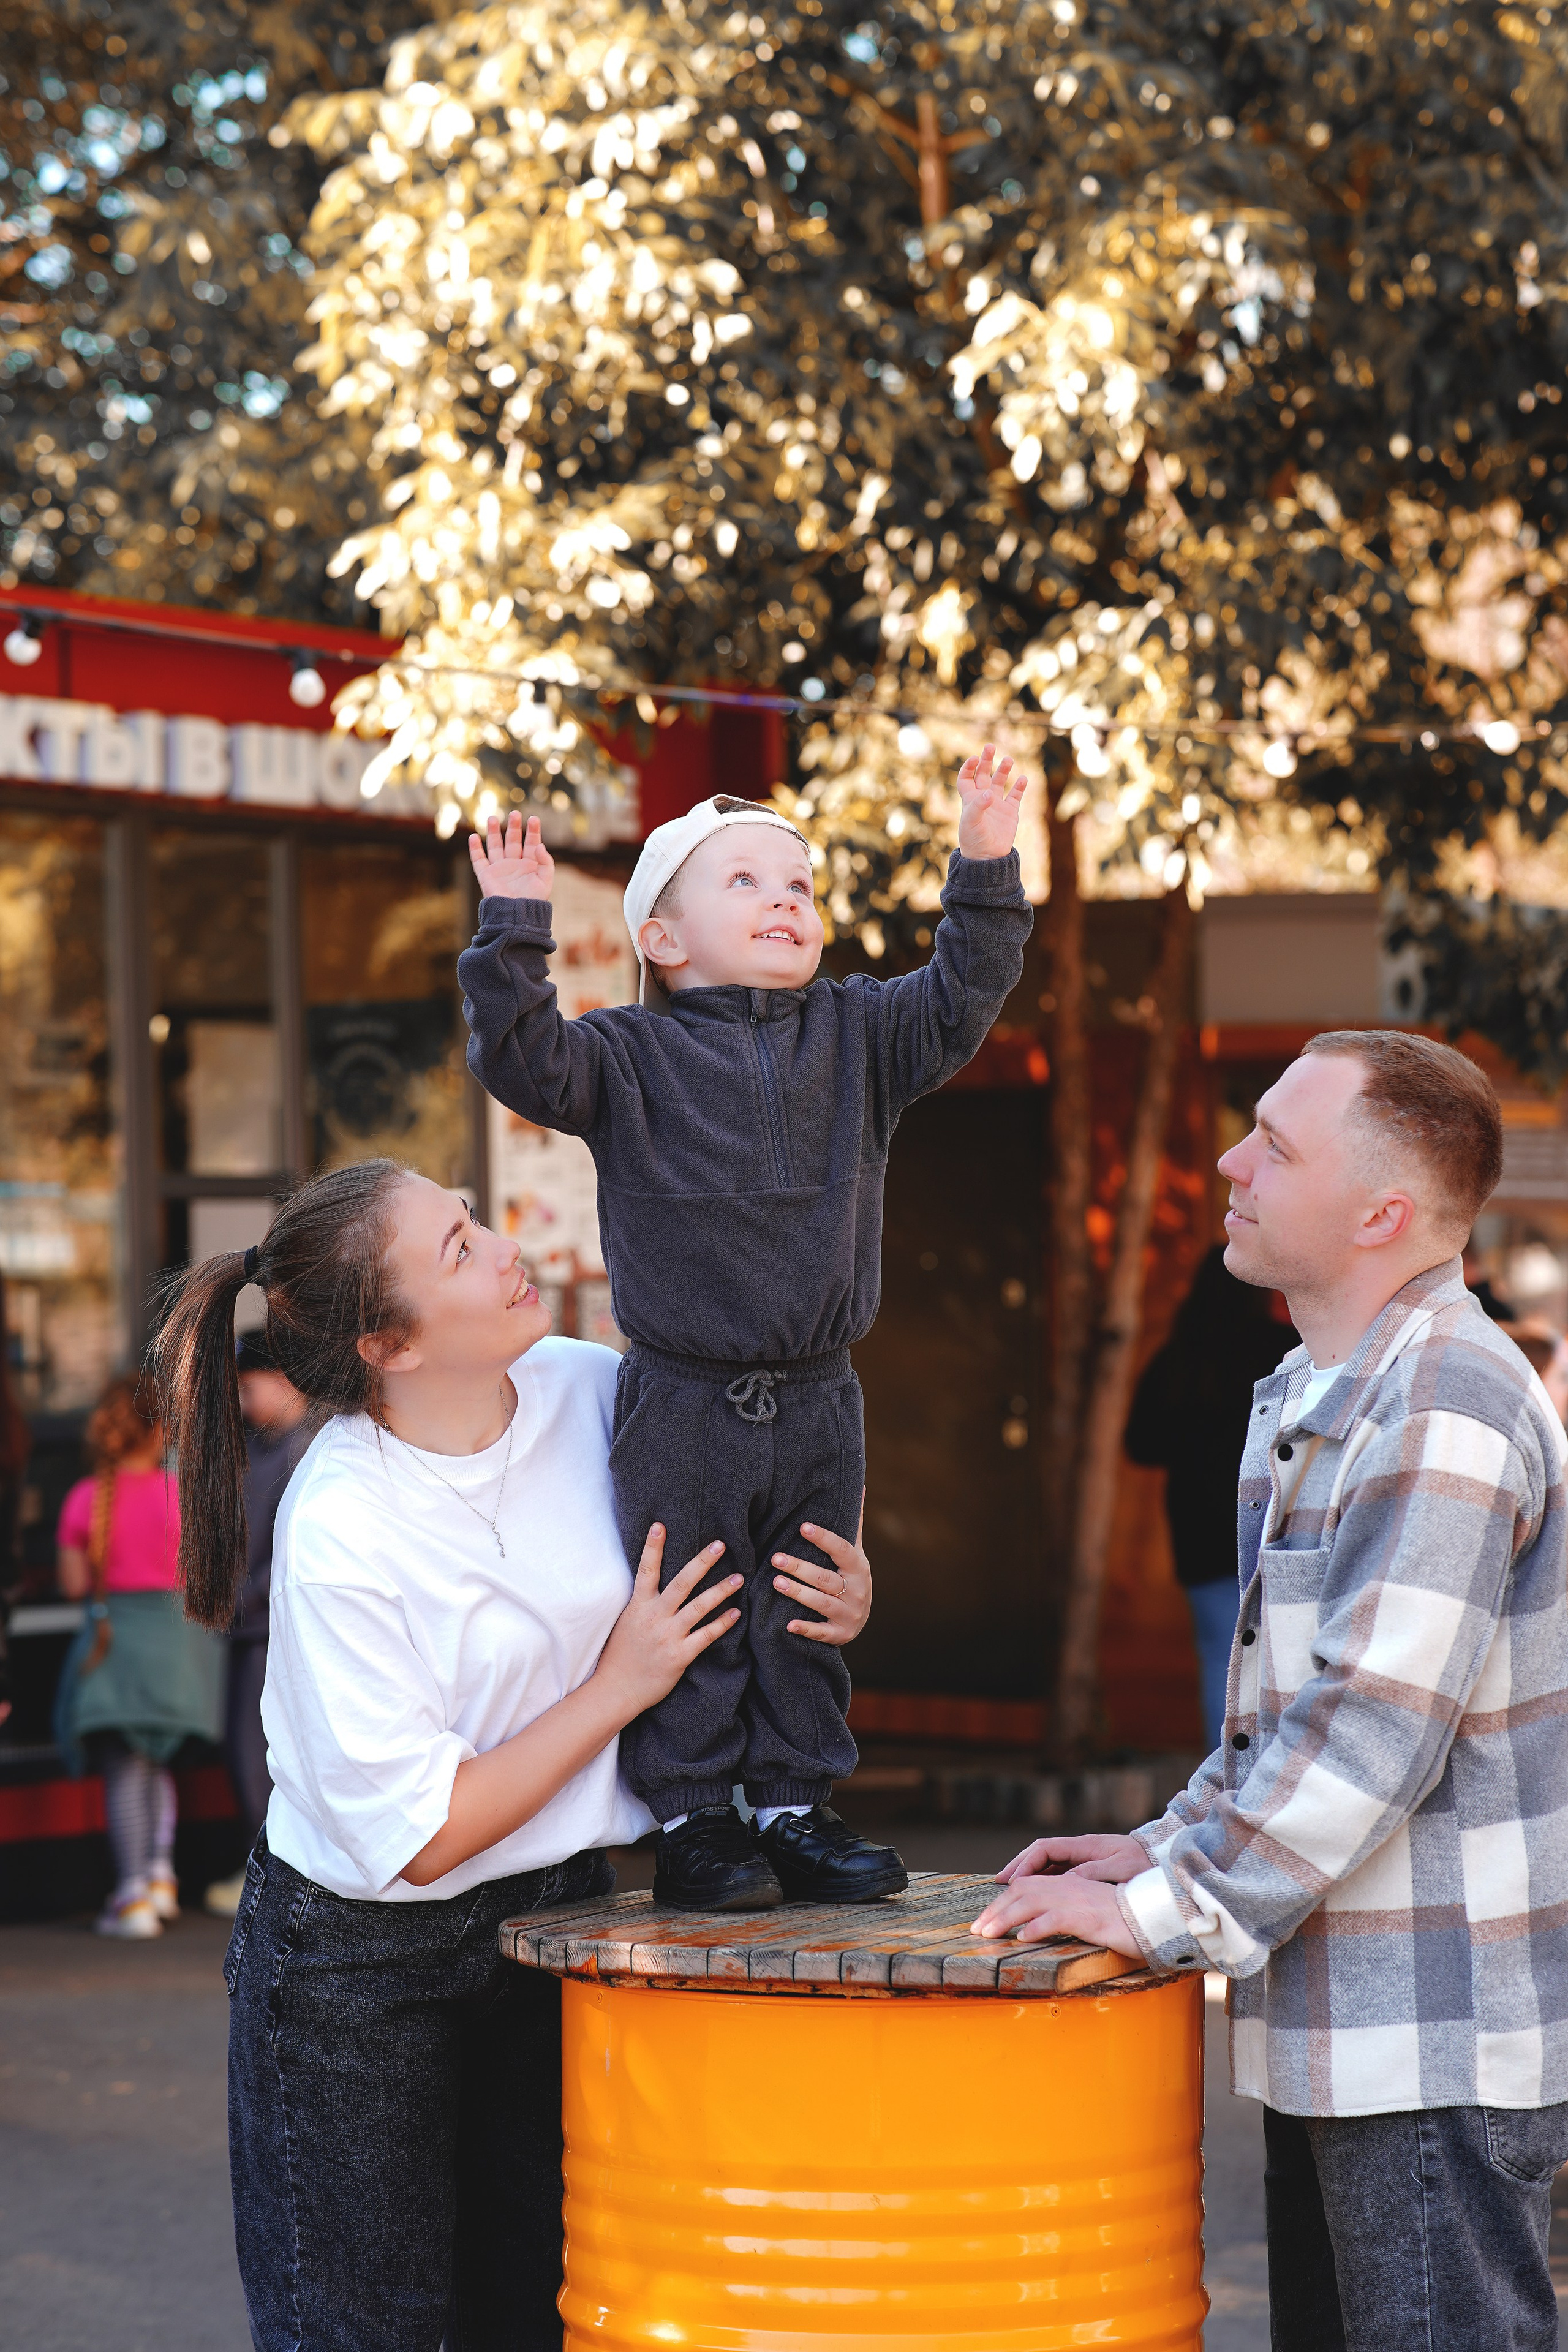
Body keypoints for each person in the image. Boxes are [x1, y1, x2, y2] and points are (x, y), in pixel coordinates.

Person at [156, 1156, 873, 2352]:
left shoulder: (592, 1389)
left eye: (475, 1218)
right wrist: (617, 1689)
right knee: (363, 2332)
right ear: (389, 1345)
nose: (503, 1248)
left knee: (542, 2315)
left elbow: (754, 1515)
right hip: (359, 1968)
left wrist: (839, 1590)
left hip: (559, 1920)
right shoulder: (343, 1521)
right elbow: (424, 1832)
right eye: (455, 1249)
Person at [972, 1029, 1568, 2352]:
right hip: (1340, 2032)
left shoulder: (1444, 1405)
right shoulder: (1318, 1388)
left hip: (1429, 2049)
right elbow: (1276, 1718)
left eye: (1274, 1145)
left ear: (1380, 1214)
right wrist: (1155, 1844)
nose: (1231, 1163)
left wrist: (1153, 1907)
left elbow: (1368, 1734)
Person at [461, 747, 1032, 1909]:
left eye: (801, 885)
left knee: (808, 1602)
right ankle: (696, 1820)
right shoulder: (626, 1055)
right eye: (746, 882)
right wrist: (513, 928)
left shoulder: (864, 1036)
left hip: (822, 1391)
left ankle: (795, 1808)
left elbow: (965, 989)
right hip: (683, 1393)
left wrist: (984, 855)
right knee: (695, 1603)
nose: (784, 899)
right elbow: (522, 1059)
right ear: (662, 942)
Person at [55, 1368, 224, 1937]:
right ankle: (159, 1877)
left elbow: (76, 1585)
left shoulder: (85, 1499)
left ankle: (130, 1898)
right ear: (162, 1432)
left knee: (125, 1769)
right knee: (156, 1766)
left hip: (116, 1651)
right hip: (179, 1654)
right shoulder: (183, 1495)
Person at [1124, 1246, 1296, 1747]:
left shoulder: (1179, 1357)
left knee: (1222, 1674)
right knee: (1286, 1668)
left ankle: (1222, 1796)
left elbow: (1141, 1445)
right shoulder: (1286, 1354)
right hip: (1275, 1530)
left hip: (1199, 1535)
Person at [204, 1331, 312, 1918]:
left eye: (250, 1388)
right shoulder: (264, 1445)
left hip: (270, 1629)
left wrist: (240, 1597)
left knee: (258, 1757)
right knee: (248, 1754)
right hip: (252, 1625)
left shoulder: (305, 1450)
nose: (243, 1403)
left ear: (285, 1380)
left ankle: (273, 1879)